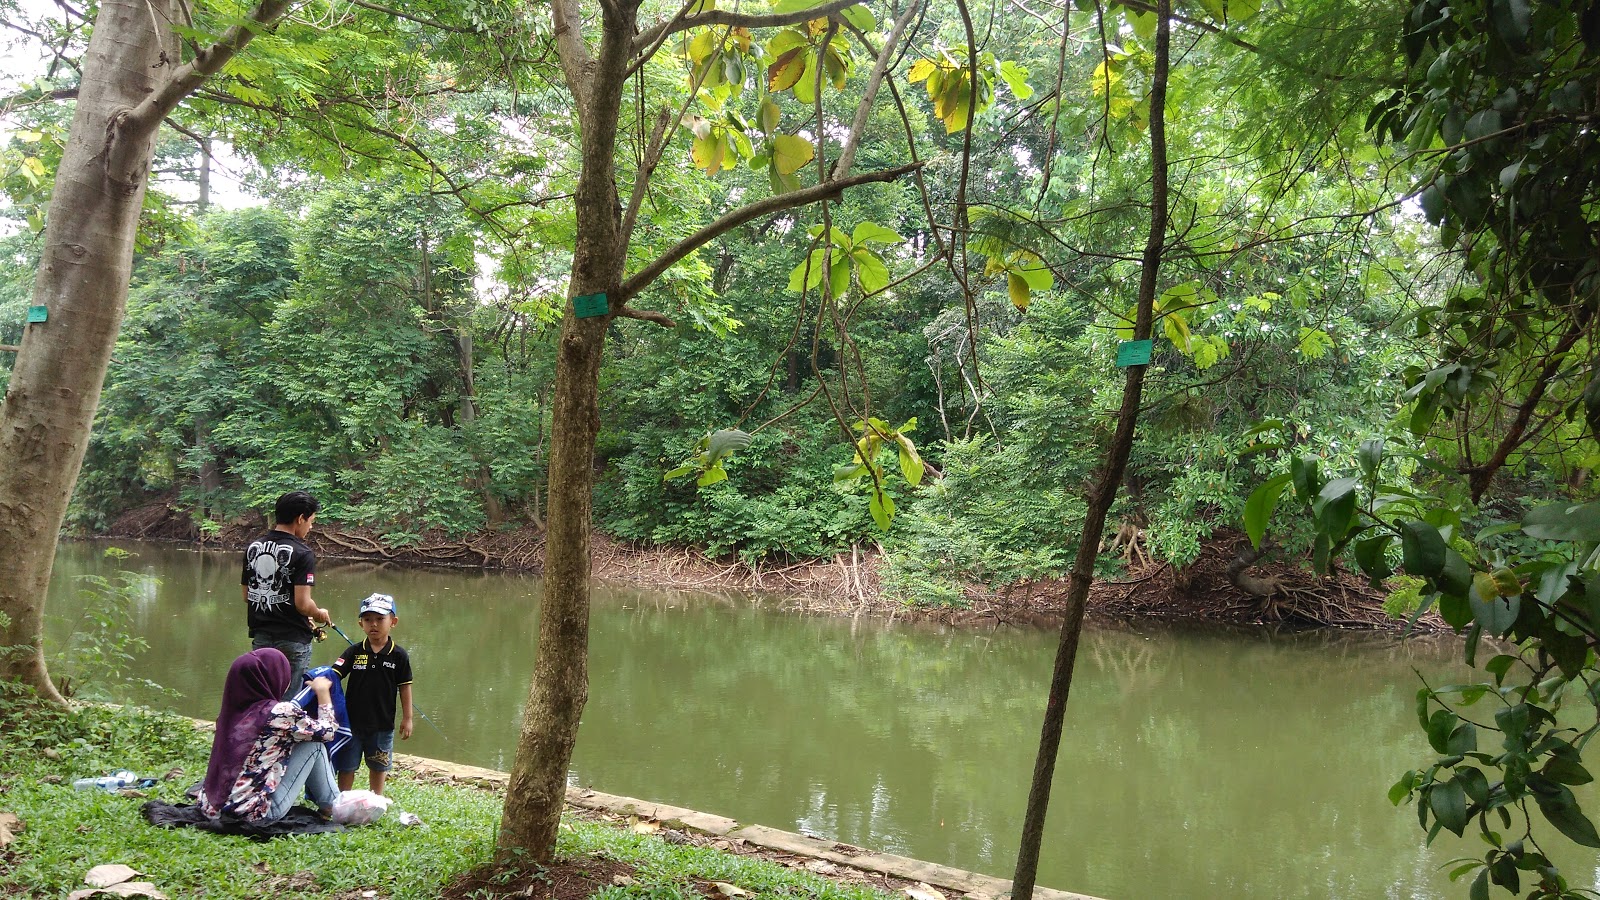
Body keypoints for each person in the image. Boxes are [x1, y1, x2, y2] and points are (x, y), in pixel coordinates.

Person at [199, 648, 340, 825]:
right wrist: (323, 693)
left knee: (303, 740)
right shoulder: (278, 712)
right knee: (314, 746)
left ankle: (332, 803)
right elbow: (327, 733)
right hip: (253, 813)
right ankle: (336, 805)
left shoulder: (231, 712)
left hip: (211, 808)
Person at [242, 490, 331, 698]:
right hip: (293, 640)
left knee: (262, 698)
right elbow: (302, 604)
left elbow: (248, 594)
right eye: (311, 521)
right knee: (288, 703)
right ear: (300, 518)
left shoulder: (253, 547)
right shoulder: (303, 553)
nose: (311, 527)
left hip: (261, 637)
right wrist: (318, 613)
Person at [333, 593, 413, 796]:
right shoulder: (354, 652)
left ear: (393, 622)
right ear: (361, 624)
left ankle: (375, 800)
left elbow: (405, 687)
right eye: (368, 619)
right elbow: (333, 674)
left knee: (378, 766)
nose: (374, 625)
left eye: (380, 619)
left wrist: (408, 718)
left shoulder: (399, 655)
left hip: (382, 725)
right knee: (347, 765)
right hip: (352, 724)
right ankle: (344, 799)